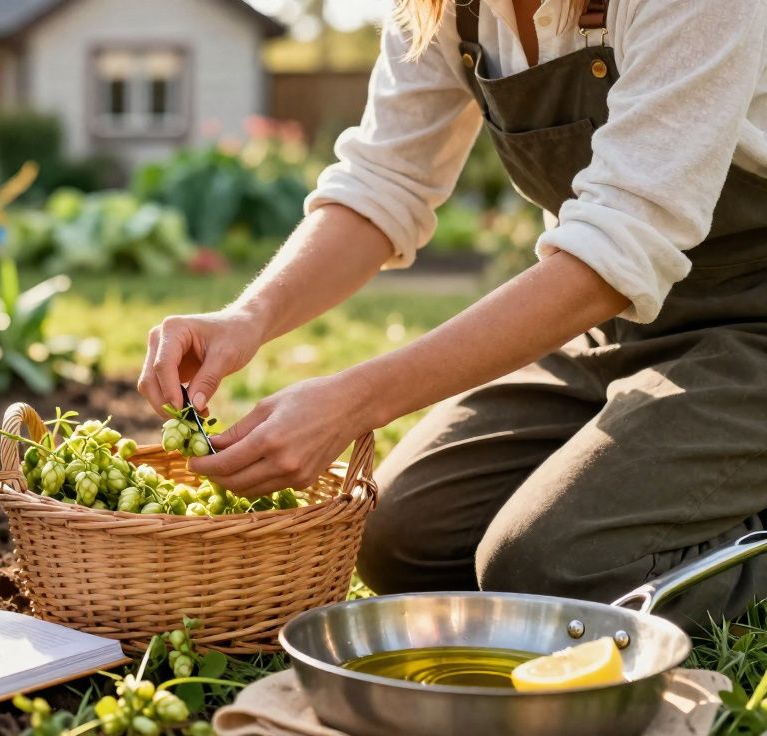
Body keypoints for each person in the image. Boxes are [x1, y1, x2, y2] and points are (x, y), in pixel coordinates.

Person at [138, 0, 767, 625]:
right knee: (400, 539)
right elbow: (384, 180)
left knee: (551, 568)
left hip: (751, 323)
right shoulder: (442, 8)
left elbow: (621, 243)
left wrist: (358, 398)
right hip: (607, 325)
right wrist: (248, 316)